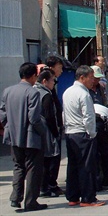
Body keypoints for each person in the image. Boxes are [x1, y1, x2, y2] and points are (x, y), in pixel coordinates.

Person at [1, 62, 48, 212]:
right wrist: (43, 131)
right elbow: (34, 118)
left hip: (13, 135)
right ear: (34, 76)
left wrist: (8, 126)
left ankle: (16, 198)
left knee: (18, 167)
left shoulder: (8, 91)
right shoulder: (32, 92)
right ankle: (30, 201)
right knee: (33, 169)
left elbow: (2, 113)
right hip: (30, 137)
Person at [63, 65, 105, 206]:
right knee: (87, 166)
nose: (92, 81)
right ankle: (88, 198)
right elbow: (88, 116)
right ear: (82, 78)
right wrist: (92, 133)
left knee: (73, 166)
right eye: (90, 78)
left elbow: (64, 114)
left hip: (70, 133)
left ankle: (73, 196)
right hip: (82, 133)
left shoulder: (67, 92)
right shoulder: (84, 94)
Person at [34, 68, 62, 198]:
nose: (54, 84)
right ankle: (46, 187)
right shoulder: (45, 95)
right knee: (50, 160)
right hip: (47, 132)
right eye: (52, 81)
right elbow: (50, 116)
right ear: (45, 81)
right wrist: (56, 133)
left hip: (37, 132)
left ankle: (42, 186)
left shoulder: (33, 90)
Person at [44, 56, 65, 196]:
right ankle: (50, 185)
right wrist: (56, 130)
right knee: (52, 158)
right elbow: (48, 112)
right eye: (60, 67)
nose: (61, 70)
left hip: (53, 127)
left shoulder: (53, 83)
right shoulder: (46, 87)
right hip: (50, 129)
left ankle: (49, 184)